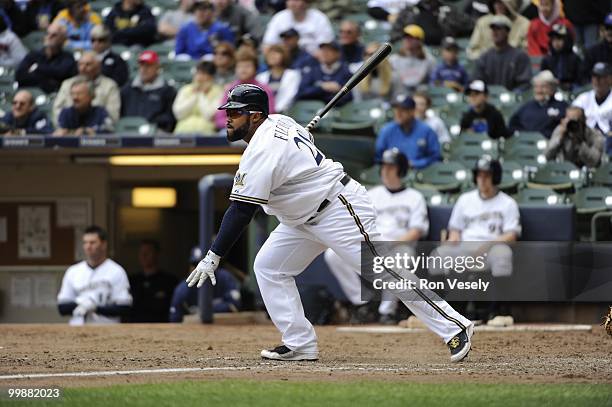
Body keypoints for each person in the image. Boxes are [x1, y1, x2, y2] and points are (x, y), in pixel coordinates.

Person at [186, 83, 474, 362]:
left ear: (257, 115)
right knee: (268, 267)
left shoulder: (262, 149)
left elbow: (240, 211)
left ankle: (455, 325)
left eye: (235, 113)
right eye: (228, 112)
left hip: (337, 208)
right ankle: (299, 343)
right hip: (300, 219)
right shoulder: (281, 122)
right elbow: (302, 146)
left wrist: (214, 256)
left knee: (384, 272)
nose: (228, 119)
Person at [325, 148, 429, 325]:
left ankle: (386, 311)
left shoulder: (415, 197)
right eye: (384, 167)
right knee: (332, 255)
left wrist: (390, 243)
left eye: (391, 167)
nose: (385, 171)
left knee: (402, 258)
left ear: (401, 170)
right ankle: (361, 304)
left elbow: (416, 231)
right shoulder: (371, 194)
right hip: (371, 243)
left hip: (399, 246)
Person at [431, 156, 520, 326]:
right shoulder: (465, 200)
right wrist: (452, 240)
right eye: (479, 175)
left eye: (487, 175)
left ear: (496, 177)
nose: (482, 179)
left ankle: (499, 310)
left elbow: (511, 235)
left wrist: (487, 246)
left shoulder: (508, 203)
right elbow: (455, 230)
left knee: (503, 253)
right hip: (466, 247)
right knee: (439, 255)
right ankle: (444, 311)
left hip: (492, 247)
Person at [57, 225, 132, 325]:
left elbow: (124, 307)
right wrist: (81, 304)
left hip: (107, 330)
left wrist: (96, 308)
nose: (88, 246)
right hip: (77, 331)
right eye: (85, 243)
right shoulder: (73, 271)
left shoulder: (117, 271)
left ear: (104, 244)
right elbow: (62, 308)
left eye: (92, 242)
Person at [169, 246, 242, 322]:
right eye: (195, 265)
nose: (201, 268)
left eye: (205, 264)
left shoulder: (225, 278)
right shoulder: (183, 289)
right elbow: (175, 319)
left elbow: (235, 306)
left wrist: (205, 310)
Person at [52, 52, 121, 126]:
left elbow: (113, 115)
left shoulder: (110, 85)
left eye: (88, 64)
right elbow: (57, 110)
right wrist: (66, 126)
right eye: (80, 64)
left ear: (98, 66)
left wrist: (94, 128)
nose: (83, 68)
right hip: (69, 129)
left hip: (97, 131)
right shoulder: (67, 84)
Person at [375, 94, 441, 169]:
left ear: (412, 111)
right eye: (396, 109)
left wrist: (414, 163)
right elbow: (378, 157)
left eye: (403, 110)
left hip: (420, 174)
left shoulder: (426, 131)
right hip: (393, 173)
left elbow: (435, 158)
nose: (398, 113)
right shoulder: (386, 130)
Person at [215, 48, 275, 130]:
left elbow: (269, 116)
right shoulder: (230, 89)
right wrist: (236, 123)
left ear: (255, 68)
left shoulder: (264, 90)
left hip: (258, 130)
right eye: (240, 66)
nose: (243, 70)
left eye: (247, 66)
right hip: (233, 129)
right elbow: (219, 118)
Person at [121, 50, 177, 133]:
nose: (144, 69)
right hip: (129, 132)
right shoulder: (127, 89)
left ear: (157, 67)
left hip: (155, 134)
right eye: (142, 65)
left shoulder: (167, 91)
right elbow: (121, 114)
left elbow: (169, 118)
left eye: (148, 65)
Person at [473, 14, 532, 90]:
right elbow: (477, 80)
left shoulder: (520, 56)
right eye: (493, 29)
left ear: (507, 32)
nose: (495, 32)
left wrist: (513, 95)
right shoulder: (484, 57)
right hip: (487, 98)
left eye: (498, 29)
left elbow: (524, 82)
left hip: (511, 99)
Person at [15, 23, 78, 93]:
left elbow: (61, 73)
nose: (49, 37)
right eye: (48, 34)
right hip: (30, 93)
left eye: (54, 35)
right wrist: (48, 79)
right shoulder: (33, 55)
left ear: (63, 39)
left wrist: (37, 69)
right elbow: (19, 76)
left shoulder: (68, 57)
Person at [129, 240, 179, 323]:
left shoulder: (169, 281)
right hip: (135, 328)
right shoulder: (132, 281)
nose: (144, 255)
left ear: (157, 254)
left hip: (162, 329)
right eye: (141, 252)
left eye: (148, 252)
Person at [262, 0, 334, 56]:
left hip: (313, 60)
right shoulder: (279, 17)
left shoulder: (319, 18)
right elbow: (267, 46)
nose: (292, 3)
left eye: (296, 0)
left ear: (306, 2)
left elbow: (326, 47)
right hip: (286, 60)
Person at [508, 70, 567, 138]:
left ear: (552, 88)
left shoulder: (562, 107)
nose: (539, 90)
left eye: (543, 87)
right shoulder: (526, 107)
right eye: (536, 87)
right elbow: (513, 125)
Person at [390, 0, 474, 45]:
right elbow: (395, 37)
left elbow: (470, 26)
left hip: (444, 49)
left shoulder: (448, 9)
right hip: (416, 51)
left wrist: (449, 19)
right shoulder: (410, 11)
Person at [173, 60, 224, 135]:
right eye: (198, 73)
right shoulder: (185, 89)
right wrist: (194, 96)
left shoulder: (218, 92)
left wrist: (201, 95)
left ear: (211, 77)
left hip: (206, 134)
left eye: (203, 74)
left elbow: (210, 115)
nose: (199, 77)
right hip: (182, 131)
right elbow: (178, 114)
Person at [296, 41, 352, 107]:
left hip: (336, 111)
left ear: (338, 54)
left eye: (329, 51)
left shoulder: (345, 71)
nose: (324, 53)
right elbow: (301, 93)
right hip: (311, 110)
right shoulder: (313, 70)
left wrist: (317, 94)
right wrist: (322, 88)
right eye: (323, 50)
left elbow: (347, 97)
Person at [388, 24, 436, 94]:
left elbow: (433, 81)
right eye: (405, 37)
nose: (407, 40)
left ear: (419, 40)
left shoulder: (429, 60)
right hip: (399, 94)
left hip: (420, 95)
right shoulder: (393, 59)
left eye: (411, 37)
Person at [572, 62, 612, 143]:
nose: (597, 80)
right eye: (595, 76)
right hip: (585, 141)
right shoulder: (583, 98)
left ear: (610, 79)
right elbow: (571, 119)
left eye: (602, 77)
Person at [256, 45, 300, 113]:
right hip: (264, 114)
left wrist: (275, 111)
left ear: (284, 56)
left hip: (285, 113)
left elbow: (290, 96)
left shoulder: (293, 75)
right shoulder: (260, 77)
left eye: (276, 53)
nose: (272, 56)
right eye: (270, 53)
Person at [540, 23, 582, 91]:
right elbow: (543, 78)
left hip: (572, 89)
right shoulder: (546, 59)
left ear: (566, 40)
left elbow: (580, 80)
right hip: (552, 89)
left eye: (559, 39)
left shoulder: (575, 58)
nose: (556, 42)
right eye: (553, 39)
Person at [581, 13, 612, 83]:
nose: (610, 32)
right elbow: (584, 75)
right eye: (607, 28)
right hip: (597, 88)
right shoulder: (593, 52)